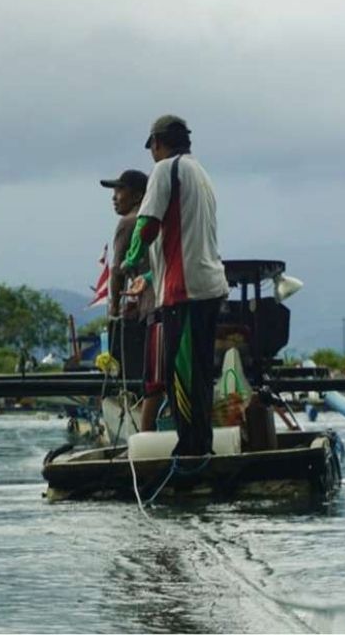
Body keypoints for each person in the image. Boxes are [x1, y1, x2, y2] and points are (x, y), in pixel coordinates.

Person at [122, 115, 229, 456]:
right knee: (199, 373)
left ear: (157, 143)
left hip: (184, 293)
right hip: (210, 286)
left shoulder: (165, 169)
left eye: (152, 147)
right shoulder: (201, 174)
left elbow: (148, 227)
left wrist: (129, 262)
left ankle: (190, 451)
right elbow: (184, 239)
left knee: (179, 374)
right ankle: (202, 446)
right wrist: (149, 275)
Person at [99, 169, 155, 383]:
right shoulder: (153, 218)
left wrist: (113, 310)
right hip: (162, 298)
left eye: (120, 190)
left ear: (138, 196)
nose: (114, 197)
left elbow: (117, 270)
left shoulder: (129, 222)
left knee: (137, 371)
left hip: (148, 302)